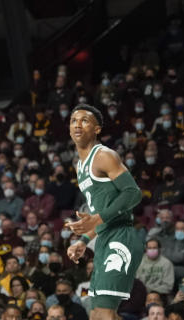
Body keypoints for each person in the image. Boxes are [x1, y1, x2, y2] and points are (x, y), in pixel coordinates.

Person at [65, 104, 144, 320]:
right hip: (105, 238)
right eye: (73, 120)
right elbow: (101, 213)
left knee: (105, 314)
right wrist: (83, 240)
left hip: (121, 236)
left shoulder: (104, 156)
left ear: (97, 129)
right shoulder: (80, 166)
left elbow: (133, 193)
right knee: (96, 314)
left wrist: (97, 219)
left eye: (84, 120)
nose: (77, 124)